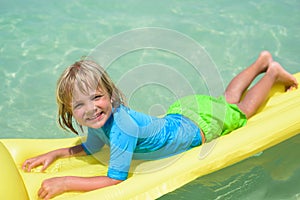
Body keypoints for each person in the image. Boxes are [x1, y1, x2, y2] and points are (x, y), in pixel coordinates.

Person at [22, 51, 298, 199]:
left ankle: (271, 73)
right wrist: (57, 153)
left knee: (242, 110)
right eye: (80, 105)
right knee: (225, 100)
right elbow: (92, 146)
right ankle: (260, 62)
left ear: (111, 95)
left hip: (199, 128)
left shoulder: (123, 126)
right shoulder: (99, 120)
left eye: (96, 98)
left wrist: (66, 181)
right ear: (69, 110)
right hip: (183, 112)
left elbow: (114, 179)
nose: (91, 109)